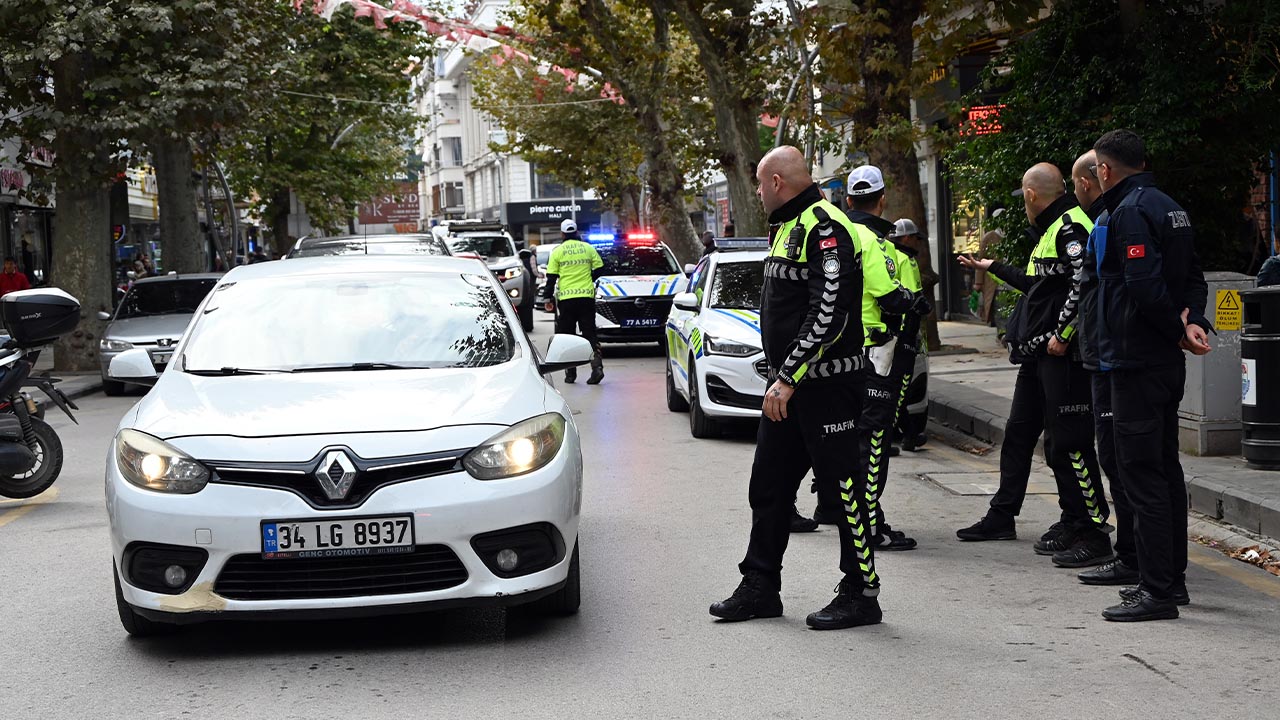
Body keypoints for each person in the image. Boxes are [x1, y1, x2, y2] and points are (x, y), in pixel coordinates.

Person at [709, 146, 880, 630]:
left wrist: (787, 376)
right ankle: (760, 586)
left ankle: (861, 593)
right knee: (769, 487)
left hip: (827, 388)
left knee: (843, 490)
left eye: (761, 185)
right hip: (788, 388)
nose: (758, 193)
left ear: (778, 182)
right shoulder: (788, 225)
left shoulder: (825, 225)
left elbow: (829, 313)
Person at [955, 162, 1114, 571]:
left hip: (1061, 355)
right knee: (1022, 434)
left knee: (1070, 444)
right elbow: (1038, 286)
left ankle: (1092, 529)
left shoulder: (1069, 227)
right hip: (1038, 354)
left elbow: (1084, 280)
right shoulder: (1050, 229)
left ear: (1030, 195)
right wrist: (992, 268)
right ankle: (1014, 516)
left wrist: (1062, 333)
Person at [1092, 129, 1210, 621]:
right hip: (1162, 360)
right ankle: (1170, 582)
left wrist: (1176, 331)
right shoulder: (1168, 205)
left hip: (1137, 359)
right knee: (1164, 470)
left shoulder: (1129, 212)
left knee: (1142, 475)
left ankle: (1158, 590)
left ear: (1105, 170)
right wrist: (1194, 323)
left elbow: (1142, 286)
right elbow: (1193, 278)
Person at [840, 166, 930, 551]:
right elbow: (889, 295)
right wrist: (915, 303)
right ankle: (869, 525)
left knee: (848, 439)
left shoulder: (836, 233)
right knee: (874, 441)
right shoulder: (873, 240)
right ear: (881, 201)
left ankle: (853, 516)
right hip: (875, 355)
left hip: (840, 355)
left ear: (847, 201)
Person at [1070, 149, 1138, 589]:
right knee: (1123, 462)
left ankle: (1137, 561)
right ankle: (1139, 560)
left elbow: (1136, 288)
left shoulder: (1114, 220)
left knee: (1124, 463)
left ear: (1091, 180)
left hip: (1117, 360)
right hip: (1107, 357)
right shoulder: (1108, 219)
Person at [541, 219, 605, 384]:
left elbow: (551, 278)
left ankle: (570, 374)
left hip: (567, 300)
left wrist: (547, 298)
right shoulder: (588, 248)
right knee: (589, 333)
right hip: (586, 298)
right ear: (576, 232)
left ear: (562, 234)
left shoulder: (558, 251)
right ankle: (597, 368)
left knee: (567, 336)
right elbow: (600, 268)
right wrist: (588, 278)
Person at [888, 218, 930, 454]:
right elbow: (910, 298)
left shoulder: (893, 256)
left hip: (897, 330)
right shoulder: (905, 260)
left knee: (897, 386)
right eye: (915, 238)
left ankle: (909, 434)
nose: (917, 243)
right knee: (899, 387)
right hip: (904, 332)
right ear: (905, 238)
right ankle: (893, 437)